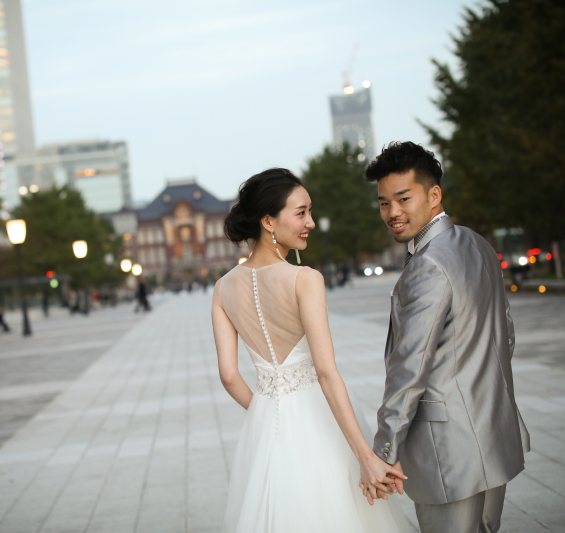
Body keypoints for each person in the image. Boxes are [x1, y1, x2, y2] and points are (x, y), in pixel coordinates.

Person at [211, 168, 408, 532]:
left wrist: (268, 409)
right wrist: (365, 455)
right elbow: (326, 371)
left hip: (266, 425)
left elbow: (228, 376)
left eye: (310, 212)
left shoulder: (222, 289)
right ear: (268, 221)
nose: (311, 223)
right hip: (319, 423)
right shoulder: (305, 279)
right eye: (301, 213)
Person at [363, 142, 530, 533]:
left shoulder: (428, 264)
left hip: (448, 451)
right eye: (384, 203)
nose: (392, 213)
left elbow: (410, 367)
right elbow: (505, 335)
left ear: (434, 194)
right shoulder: (477, 244)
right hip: (492, 433)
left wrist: (384, 449)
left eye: (403, 198)